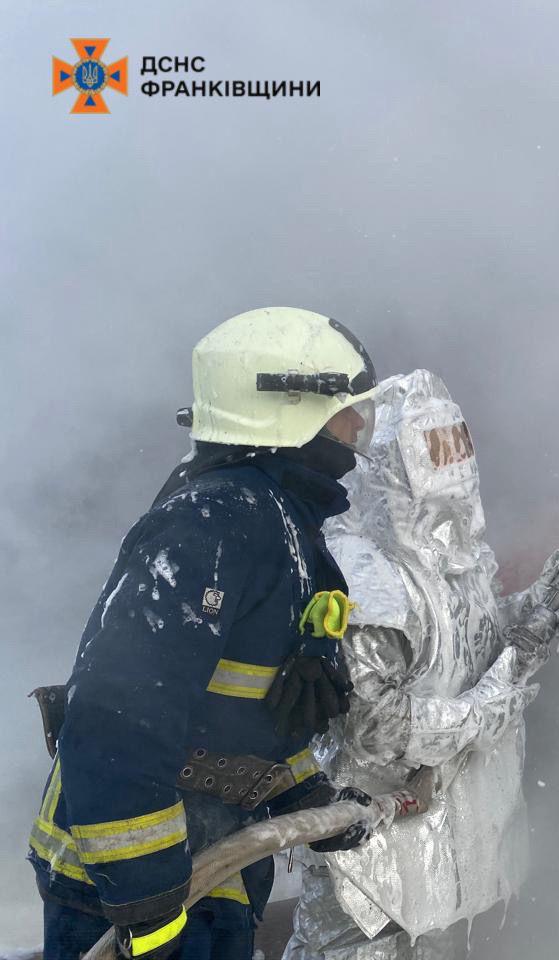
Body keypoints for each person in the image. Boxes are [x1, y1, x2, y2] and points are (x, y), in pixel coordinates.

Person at [29, 307, 381, 960]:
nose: (359, 423)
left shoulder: (280, 521)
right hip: (123, 880)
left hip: (210, 855)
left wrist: (302, 792)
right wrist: (147, 906)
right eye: (346, 405)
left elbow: (240, 708)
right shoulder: (215, 526)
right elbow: (116, 725)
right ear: (288, 405)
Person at [283, 369, 559, 960]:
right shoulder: (363, 573)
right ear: (392, 468)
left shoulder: (451, 553)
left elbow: (461, 645)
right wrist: (485, 711)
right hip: (376, 866)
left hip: (452, 850)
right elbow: (377, 729)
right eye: (435, 462)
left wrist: (540, 611)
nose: (454, 486)